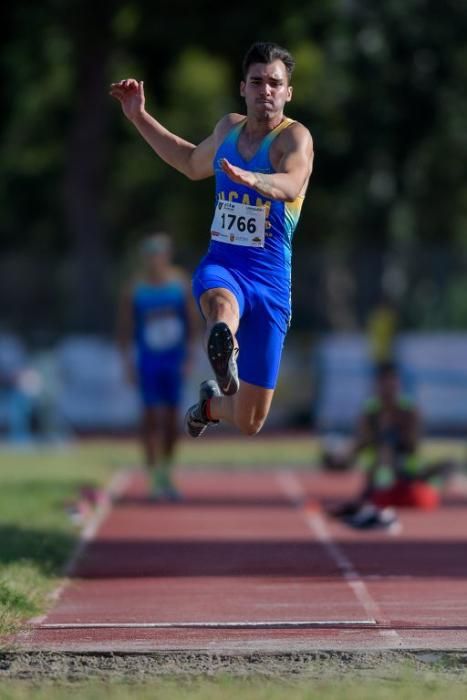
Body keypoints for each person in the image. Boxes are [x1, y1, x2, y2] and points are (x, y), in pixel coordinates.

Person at [110, 42, 314, 438]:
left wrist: (258, 180)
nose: (266, 91)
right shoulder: (228, 131)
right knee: (222, 307)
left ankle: (208, 404)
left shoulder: (295, 139)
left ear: (288, 92)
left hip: (271, 283)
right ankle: (225, 344)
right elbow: (188, 162)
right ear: (243, 88)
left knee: (250, 421)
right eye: (257, 82)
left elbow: (292, 183)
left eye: (275, 83)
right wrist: (139, 117)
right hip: (225, 266)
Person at [117, 233, 198, 499]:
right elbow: (126, 328)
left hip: (173, 360)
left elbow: (191, 322)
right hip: (148, 361)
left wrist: (189, 356)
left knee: (173, 418)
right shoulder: (136, 288)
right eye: (151, 253)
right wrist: (127, 361)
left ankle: (167, 471)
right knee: (150, 417)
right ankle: (153, 476)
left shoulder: (179, 284)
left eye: (160, 253)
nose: (155, 259)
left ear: (167, 255)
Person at [331, 362, 451, 529]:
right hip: (379, 477)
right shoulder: (371, 409)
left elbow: (412, 445)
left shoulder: (409, 409)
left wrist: (391, 434)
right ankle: (373, 501)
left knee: (446, 466)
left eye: (392, 382)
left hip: (407, 474)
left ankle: (382, 498)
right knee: (383, 451)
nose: (388, 387)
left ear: (398, 383)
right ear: (378, 384)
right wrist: (344, 456)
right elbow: (361, 441)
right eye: (383, 382)